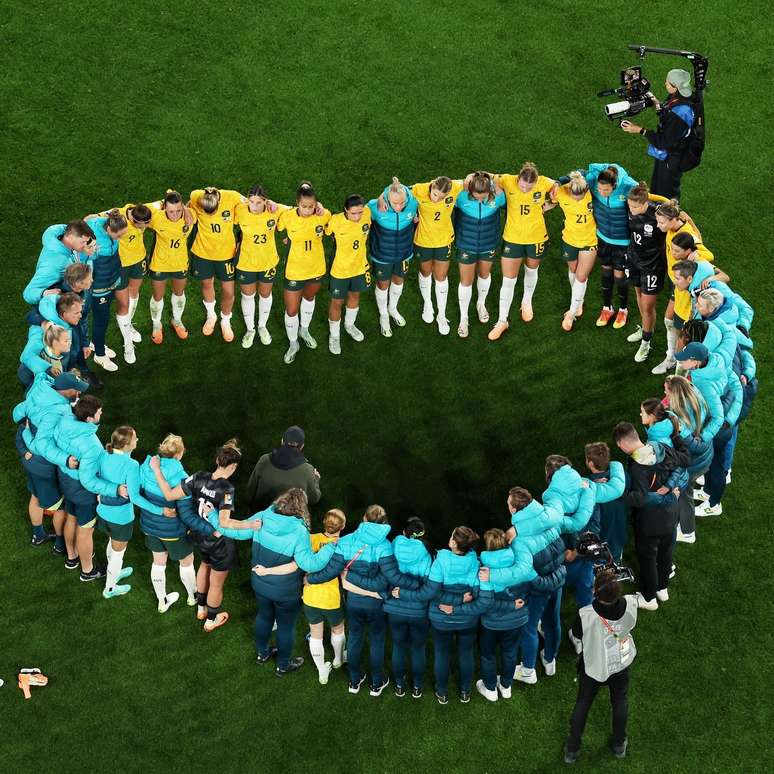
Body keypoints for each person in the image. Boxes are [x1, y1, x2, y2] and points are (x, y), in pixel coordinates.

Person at [210, 488, 336, 676]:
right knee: (285, 626)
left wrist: (212, 515)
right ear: (301, 508)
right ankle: (283, 665)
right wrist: (330, 547)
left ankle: (262, 654)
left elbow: (235, 531)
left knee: (264, 616)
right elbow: (310, 564)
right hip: (286, 591)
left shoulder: (263, 516)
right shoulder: (300, 532)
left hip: (260, 584)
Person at [149, 440, 244, 631]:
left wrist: (157, 471)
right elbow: (224, 522)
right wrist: (249, 525)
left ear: (217, 460)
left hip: (200, 536)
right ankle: (211, 620)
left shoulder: (199, 476)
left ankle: (201, 608)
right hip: (219, 541)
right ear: (233, 467)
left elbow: (169, 495)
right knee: (216, 583)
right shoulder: (228, 489)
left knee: (204, 564)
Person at [391, 526, 490, 704]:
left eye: (452, 535)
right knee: (466, 654)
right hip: (467, 621)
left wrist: (403, 594)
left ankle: (442, 692)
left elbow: (429, 593)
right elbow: (477, 597)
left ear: (454, 542)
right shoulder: (476, 564)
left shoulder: (440, 562)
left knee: (442, 653)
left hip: (441, 620)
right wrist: (460, 599)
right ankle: (465, 692)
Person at [305, 505, 394, 696]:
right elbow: (383, 582)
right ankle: (376, 684)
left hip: (353, 603)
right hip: (376, 605)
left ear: (364, 519)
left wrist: (310, 579)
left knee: (354, 639)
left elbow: (330, 571)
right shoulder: (386, 546)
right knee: (377, 641)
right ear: (384, 522)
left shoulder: (345, 541)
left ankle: (354, 682)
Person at [43, 395, 129, 582]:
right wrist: (115, 489)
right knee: (85, 529)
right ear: (89, 418)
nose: (101, 413)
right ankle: (87, 571)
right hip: (82, 491)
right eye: (99, 412)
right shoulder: (91, 445)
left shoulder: (65, 420)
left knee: (71, 517)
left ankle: (71, 558)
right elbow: (89, 481)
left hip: (65, 480)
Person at [563, 569, 637, 764]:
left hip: (594, 666)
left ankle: (572, 749)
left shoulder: (586, 614)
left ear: (596, 591)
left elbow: (577, 635)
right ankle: (619, 744)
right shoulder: (630, 603)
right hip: (621, 662)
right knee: (620, 701)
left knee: (583, 703)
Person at [612, 421, 689, 610]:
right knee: (665, 553)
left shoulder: (637, 467)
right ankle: (662, 589)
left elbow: (639, 499)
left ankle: (648, 598)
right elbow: (685, 461)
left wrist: (618, 493)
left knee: (648, 559)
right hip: (671, 514)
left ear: (621, 444)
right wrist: (670, 488)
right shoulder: (661, 448)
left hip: (649, 521)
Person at [91, 425, 173, 599]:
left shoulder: (105, 455)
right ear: (127, 444)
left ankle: (114, 572)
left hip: (103, 512)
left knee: (111, 543)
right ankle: (110, 588)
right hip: (120, 518)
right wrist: (160, 511)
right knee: (118, 554)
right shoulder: (131, 464)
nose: (137, 440)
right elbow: (135, 497)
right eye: (135, 438)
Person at [13, 372, 88, 554]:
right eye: (76, 390)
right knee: (60, 506)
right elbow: (42, 445)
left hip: (31, 462)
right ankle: (60, 544)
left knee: (36, 496)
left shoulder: (39, 389)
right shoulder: (57, 412)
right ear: (68, 390)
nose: (78, 394)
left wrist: (24, 441)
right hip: (44, 465)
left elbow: (17, 413)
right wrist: (65, 459)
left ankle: (38, 534)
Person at [489, 162, 555, 338]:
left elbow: (558, 188)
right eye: (523, 186)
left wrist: (551, 203)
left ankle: (526, 302)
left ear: (535, 182)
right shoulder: (508, 180)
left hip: (537, 238)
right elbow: (492, 177)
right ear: (518, 179)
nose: (525, 189)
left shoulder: (544, 182)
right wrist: (497, 191)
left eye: (529, 187)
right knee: (508, 280)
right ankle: (502, 320)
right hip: (512, 238)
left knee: (532, 270)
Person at [567, 164, 638, 329]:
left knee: (619, 276)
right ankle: (607, 308)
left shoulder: (628, 186)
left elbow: (643, 200)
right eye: (599, 189)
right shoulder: (593, 181)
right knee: (606, 272)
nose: (601, 192)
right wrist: (559, 182)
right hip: (603, 238)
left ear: (614, 186)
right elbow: (578, 175)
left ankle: (623, 309)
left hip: (623, 242)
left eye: (606, 190)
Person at [137, 434, 198, 612]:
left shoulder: (146, 466)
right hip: (173, 529)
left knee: (158, 561)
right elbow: (185, 508)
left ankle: (162, 601)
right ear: (179, 454)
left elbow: (139, 491)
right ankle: (193, 596)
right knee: (187, 561)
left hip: (149, 526)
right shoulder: (181, 475)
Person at [651, 199, 712, 374]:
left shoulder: (685, 235)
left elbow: (707, 253)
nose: (658, 226)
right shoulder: (674, 227)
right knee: (668, 320)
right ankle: (670, 358)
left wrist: (694, 255)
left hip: (686, 289)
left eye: (661, 222)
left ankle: (681, 374)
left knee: (684, 336)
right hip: (678, 284)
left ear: (672, 220)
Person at [475, 527, 533, 702]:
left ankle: (491, 688)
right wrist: (512, 605)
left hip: (491, 623)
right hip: (517, 620)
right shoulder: (521, 565)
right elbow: (530, 585)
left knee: (488, 655)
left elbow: (486, 602)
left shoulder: (483, 571)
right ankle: (506, 687)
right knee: (510, 653)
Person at [276, 182, 331, 363]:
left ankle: (304, 330)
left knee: (309, 298)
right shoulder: (288, 217)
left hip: (316, 268)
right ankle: (294, 344)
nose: (307, 210)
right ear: (296, 204)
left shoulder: (324, 216)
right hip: (294, 271)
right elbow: (277, 221)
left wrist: (320, 208)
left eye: (311, 206)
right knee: (292, 309)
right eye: (304, 206)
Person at [620, 68, 696, 198]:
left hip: (672, 159)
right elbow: (668, 112)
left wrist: (639, 130)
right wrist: (656, 102)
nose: (665, 84)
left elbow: (663, 142)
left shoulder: (680, 114)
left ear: (675, 87)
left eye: (667, 82)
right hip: (669, 155)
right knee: (656, 190)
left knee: (665, 196)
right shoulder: (682, 96)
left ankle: (667, 216)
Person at [95, 202, 153, 364]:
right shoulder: (117, 215)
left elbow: (162, 202)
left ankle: (129, 326)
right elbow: (91, 218)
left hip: (139, 260)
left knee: (134, 293)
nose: (143, 228)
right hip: (119, 265)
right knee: (124, 304)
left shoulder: (142, 210)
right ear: (132, 219)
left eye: (146, 225)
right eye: (140, 225)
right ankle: (128, 344)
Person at [451, 172, 506, 337]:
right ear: (470, 190)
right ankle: (463, 318)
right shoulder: (460, 197)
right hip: (466, 246)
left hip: (488, 245)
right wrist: (463, 179)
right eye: (476, 197)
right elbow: (439, 187)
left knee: (484, 275)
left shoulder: (499, 197)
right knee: (466, 282)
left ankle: (480, 304)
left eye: (483, 197)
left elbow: (514, 183)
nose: (480, 200)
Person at [189, 186, 246, 340]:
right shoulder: (195, 196)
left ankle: (226, 321)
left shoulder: (232, 196)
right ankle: (211, 315)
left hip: (226, 254)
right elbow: (188, 208)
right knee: (206, 284)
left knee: (229, 291)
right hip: (202, 253)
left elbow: (251, 203)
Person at [410, 176, 464, 334]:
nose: (437, 199)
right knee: (426, 273)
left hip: (443, 241)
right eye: (435, 195)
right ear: (431, 186)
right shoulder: (418, 189)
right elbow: (397, 192)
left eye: (442, 198)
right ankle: (428, 304)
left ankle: (441, 314)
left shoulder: (455, 187)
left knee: (441, 276)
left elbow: (470, 179)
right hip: (423, 241)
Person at [299, 509, 348, 684]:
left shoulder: (310, 539)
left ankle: (322, 672)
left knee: (316, 635)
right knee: (338, 630)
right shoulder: (342, 545)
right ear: (342, 526)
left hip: (310, 597)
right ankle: (338, 660)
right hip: (331, 598)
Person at [663, 375, 713, 545]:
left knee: (685, 497)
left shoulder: (680, 421)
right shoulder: (696, 396)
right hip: (705, 457)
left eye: (666, 391)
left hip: (692, 464)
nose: (665, 394)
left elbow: (685, 447)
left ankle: (687, 531)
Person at [234, 185, 286, 348]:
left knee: (265, 294)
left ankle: (262, 326)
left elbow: (295, 210)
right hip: (246, 263)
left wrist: (273, 203)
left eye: (259, 202)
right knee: (248, 296)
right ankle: (250, 330)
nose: (254, 207)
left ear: (265, 201)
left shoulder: (274, 210)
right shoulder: (240, 210)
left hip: (268, 262)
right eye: (252, 202)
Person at [367, 178, 419, 337]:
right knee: (383, 285)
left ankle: (393, 309)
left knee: (399, 281)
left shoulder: (414, 202)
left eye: (401, 203)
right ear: (387, 198)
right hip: (382, 255)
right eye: (394, 203)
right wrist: (380, 198)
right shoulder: (375, 207)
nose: (398, 207)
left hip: (404, 253)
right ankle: (384, 316)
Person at [623, 183, 668, 362]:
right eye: (629, 205)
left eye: (634, 206)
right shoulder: (631, 209)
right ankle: (644, 328)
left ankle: (646, 343)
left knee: (648, 306)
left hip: (653, 266)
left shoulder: (657, 214)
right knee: (639, 297)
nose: (631, 209)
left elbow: (675, 217)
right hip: (634, 259)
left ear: (645, 203)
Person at [147, 191, 197, 344]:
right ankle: (157, 324)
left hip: (180, 263)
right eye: (171, 211)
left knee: (179, 293)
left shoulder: (190, 216)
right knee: (158, 296)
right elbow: (136, 213)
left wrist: (186, 211)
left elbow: (199, 201)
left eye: (178, 211)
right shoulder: (156, 218)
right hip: (159, 263)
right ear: (164, 209)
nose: (175, 215)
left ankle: (177, 320)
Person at [549, 171, 597, 331]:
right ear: (569, 190)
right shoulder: (561, 193)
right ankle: (579, 301)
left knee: (581, 276)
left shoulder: (590, 190)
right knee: (573, 271)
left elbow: (582, 171)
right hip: (569, 239)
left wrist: (562, 178)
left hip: (589, 241)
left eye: (581, 195)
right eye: (575, 196)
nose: (579, 199)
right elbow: (551, 198)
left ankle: (571, 313)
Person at [325, 195, 372, 354]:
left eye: (360, 212)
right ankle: (334, 335)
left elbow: (382, 199)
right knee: (337, 302)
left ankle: (349, 325)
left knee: (355, 297)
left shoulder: (367, 214)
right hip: (340, 270)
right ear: (345, 210)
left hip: (359, 268)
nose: (357, 216)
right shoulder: (335, 221)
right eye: (353, 213)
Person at [84, 210, 129, 373]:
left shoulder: (110, 221)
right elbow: (85, 260)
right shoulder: (91, 237)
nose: (121, 238)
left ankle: (97, 344)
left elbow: (96, 217)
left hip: (111, 280)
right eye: (119, 236)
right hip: (98, 287)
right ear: (110, 230)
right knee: (101, 318)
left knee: (103, 317)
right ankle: (100, 355)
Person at [245, 426, 321, 510]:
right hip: (288, 521)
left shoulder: (264, 460)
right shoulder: (308, 470)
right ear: (302, 446)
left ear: (282, 441)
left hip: (259, 518)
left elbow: (250, 491)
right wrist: (316, 480)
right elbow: (314, 499)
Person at [23, 220, 96, 305]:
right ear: (71, 237)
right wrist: (44, 293)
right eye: (83, 242)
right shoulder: (54, 265)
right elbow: (28, 293)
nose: (85, 245)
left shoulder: (67, 240)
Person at [584, 443, 630, 563]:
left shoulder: (588, 490)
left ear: (590, 463)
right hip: (620, 529)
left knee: (602, 562)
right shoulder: (623, 476)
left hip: (603, 534)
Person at [18, 322, 71, 390]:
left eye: (69, 339)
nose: (70, 343)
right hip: (28, 377)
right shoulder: (37, 353)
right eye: (66, 341)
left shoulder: (63, 353)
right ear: (55, 342)